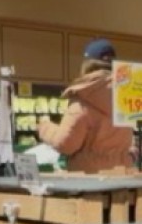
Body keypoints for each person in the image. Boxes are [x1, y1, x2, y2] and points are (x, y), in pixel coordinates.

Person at [37, 39, 133, 174]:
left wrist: (44, 126)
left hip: (90, 178)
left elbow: (66, 144)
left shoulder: (84, 97)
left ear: (86, 65)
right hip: (122, 175)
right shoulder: (127, 96)